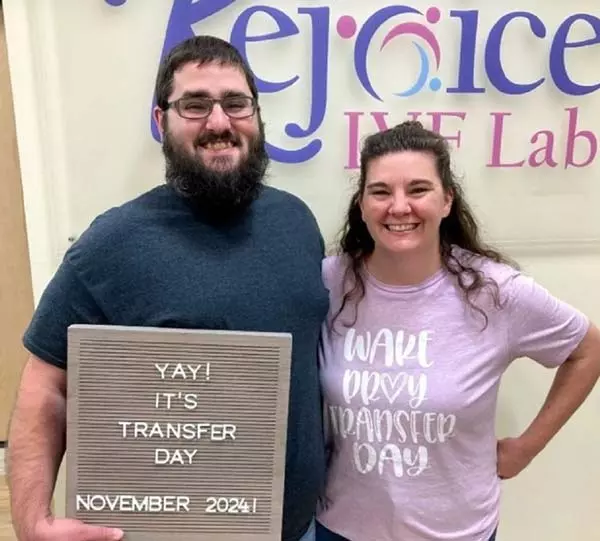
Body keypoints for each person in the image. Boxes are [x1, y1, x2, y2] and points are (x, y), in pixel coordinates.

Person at [6, 36, 328, 541]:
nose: (219, 122)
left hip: (299, 529)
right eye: (195, 105)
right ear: (162, 121)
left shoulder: (298, 223)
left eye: (236, 103)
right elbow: (46, 385)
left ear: (256, 114)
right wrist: (31, 522)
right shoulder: (113, 243)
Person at [314, 121, 600, 541]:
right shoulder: (329, 282)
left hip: (454, 532)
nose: (399, 206)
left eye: (418, 189)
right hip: (340, 527)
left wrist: (527, 447)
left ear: (447, 199)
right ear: (361, 203)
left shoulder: (494, 292)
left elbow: (589, 349)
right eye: (380, 192)